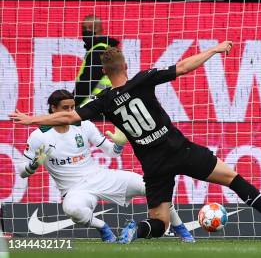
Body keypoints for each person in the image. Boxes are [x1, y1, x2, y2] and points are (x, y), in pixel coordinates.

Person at [10, 43, 261, 243]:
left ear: (102, 72)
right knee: (232, 178)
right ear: (125, 64)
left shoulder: (102, 101)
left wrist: (30, 119)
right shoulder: (143, 79)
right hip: (179, 149)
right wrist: (214, 49)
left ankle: (135, 229)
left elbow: (70, 116)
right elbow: (184, 67)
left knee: (160, 223)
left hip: (153, 165)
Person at [18, 90, 195, 243]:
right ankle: (104, 228)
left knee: (152, 187)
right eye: (66, 108)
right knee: (72, 209)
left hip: (100, 177)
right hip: (75, 189)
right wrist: (33, 166)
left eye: (73, 107)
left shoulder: (84, 125)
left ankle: (183, 231)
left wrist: (118, 144)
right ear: (53, 109)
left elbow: (111, 152)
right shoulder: (38, 136)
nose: (71, 112)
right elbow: (22, 172)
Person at [74, 16, 120, 107]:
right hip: (102, 105)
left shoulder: (99, 50)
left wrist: (72, 104)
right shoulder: (107, 48)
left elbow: (87, 83)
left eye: (92, 28)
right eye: (84, 28)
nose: (87, 31)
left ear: (101, 30)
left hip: (94, 108)